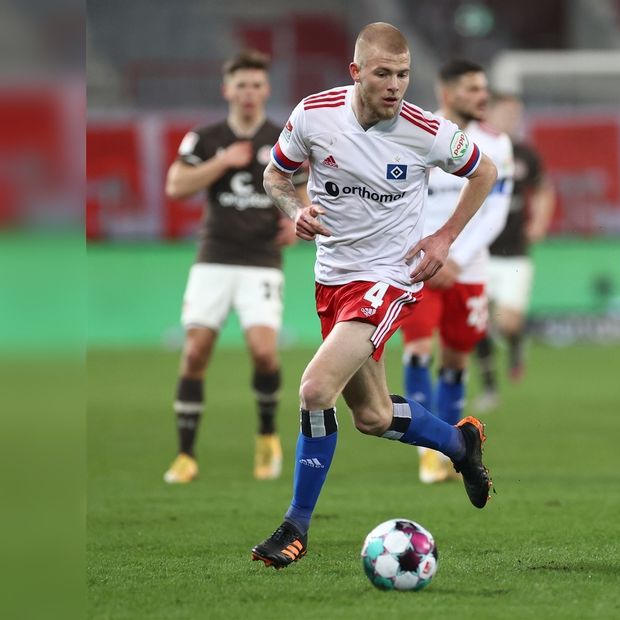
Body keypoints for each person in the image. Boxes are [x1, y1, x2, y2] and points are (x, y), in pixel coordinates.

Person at [250, 23, 498, 569]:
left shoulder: (425, 130)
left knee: (315, 389)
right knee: (372, 415)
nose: (395, 85)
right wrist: (297, 210)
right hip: (332, 279)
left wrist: (444, 235)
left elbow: (486, 171)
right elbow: (274, 176)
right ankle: (460, 445)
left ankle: (295, 526)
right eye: (383, 73)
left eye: (403, 74)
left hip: (389, 278)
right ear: (356, 72)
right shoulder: (314, 115)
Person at [162, 50, 305, 485]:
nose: (249, 92)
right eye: (241, 84)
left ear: (267, 90)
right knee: (194, 353)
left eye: (256, 85)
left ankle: (266, 437)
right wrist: (222, 162)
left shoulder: (284, 136)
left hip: (262, 260)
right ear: (227, 89)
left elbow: (306, 189)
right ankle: (186, 455)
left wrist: (297, 220)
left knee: (264, 352)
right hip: (215, 256)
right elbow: (175, 186)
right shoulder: (204, 139)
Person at [399, 60, 514, 484]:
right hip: (420, 267)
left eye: (484, 88)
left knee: (454, 357)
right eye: (472, 89)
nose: (482, 96)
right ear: (447, 92)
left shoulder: (497, 144)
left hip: (466, 268)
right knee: (417, 351)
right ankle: (427, 453)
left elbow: (495, 210)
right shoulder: (419, 132)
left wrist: (457, 256)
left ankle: (451, 449)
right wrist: (433, 257)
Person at [474, 93, 556, 411]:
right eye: (507, 113)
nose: (512, 120)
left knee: (508, 323)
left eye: (516, 115)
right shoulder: (478, 150)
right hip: (481, 253)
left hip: (516, 253)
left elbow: (545, 190)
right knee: (477, 322)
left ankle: (516, 343)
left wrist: (540, 222)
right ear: (490, 113)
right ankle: (490, 387)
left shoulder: (525, 154)